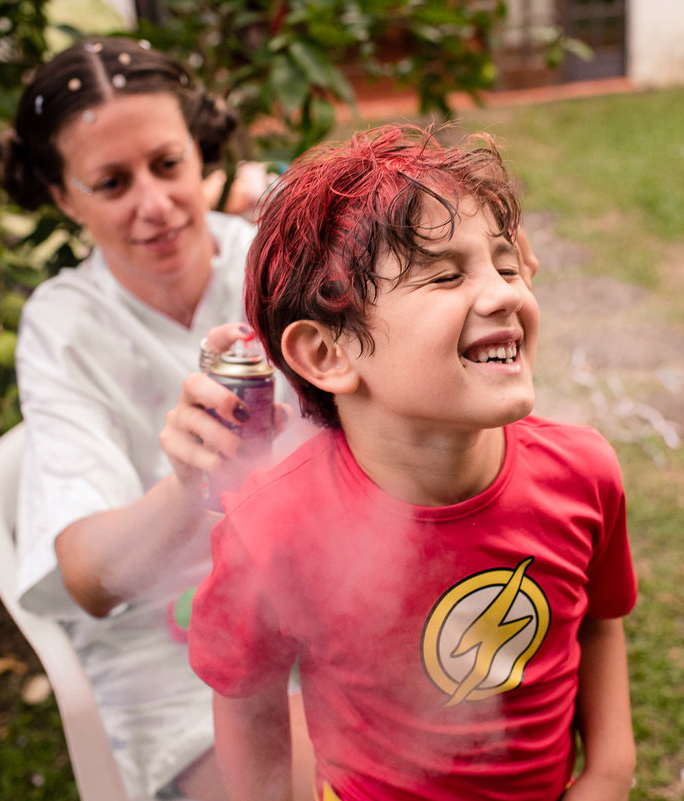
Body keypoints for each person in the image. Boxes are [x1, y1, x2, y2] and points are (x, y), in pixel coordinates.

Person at [187, 124, 637, 801]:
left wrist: (607, 770)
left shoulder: (583, 472)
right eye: (447, 274)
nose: (503, 294)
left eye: (507, 264)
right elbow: (248, 702)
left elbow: (599, 620)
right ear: (328, 354)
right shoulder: (271, 529)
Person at [0, 36, 320, 800]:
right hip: (172, 659)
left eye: (168, 164)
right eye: (111, 182)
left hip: (324, 599)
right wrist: (187, 485)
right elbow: (89, 578)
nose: (154, 204)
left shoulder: (271, 263)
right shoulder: (65, 326)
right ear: (63, 197)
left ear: (199, 154)